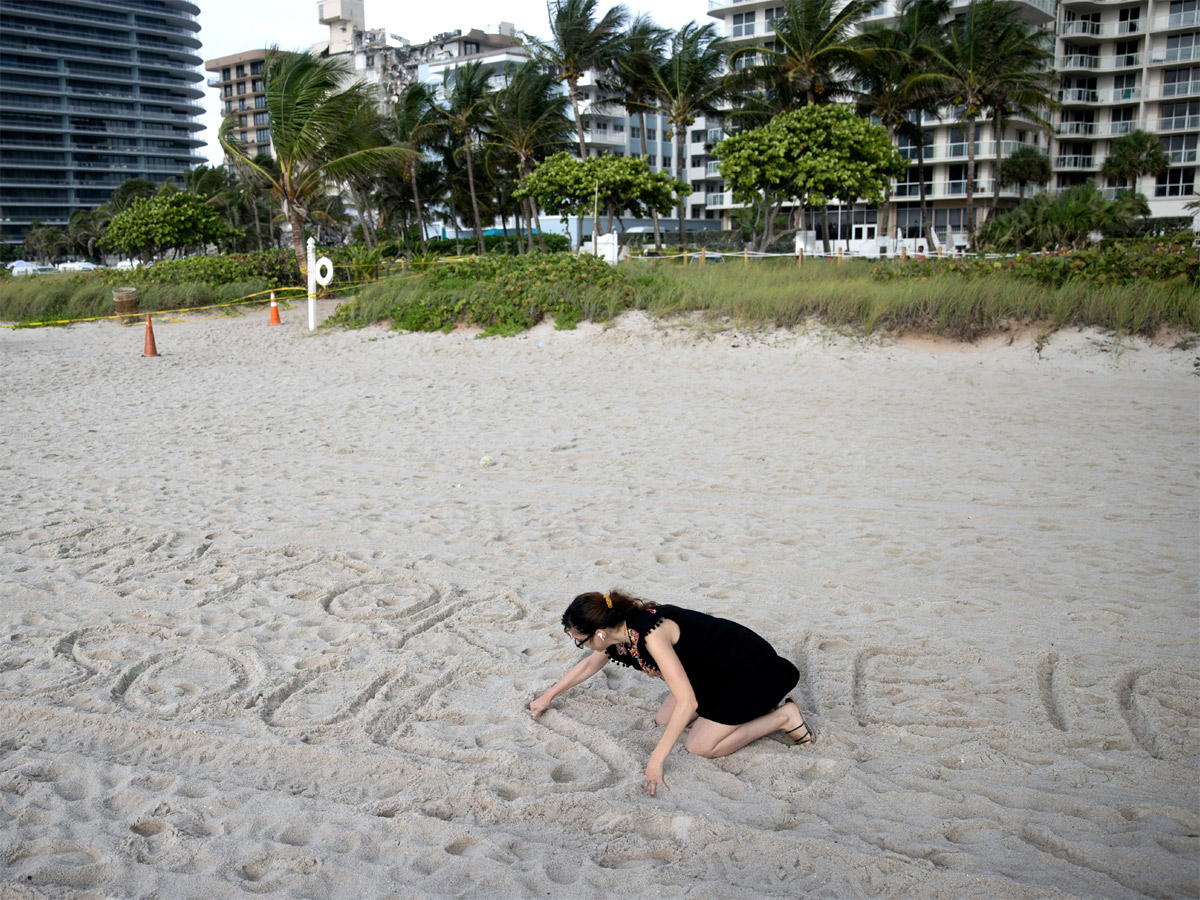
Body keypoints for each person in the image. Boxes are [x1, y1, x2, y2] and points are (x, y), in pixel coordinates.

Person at [529, 590, 816, 796]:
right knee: (665, 721)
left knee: (699, 746)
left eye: (580, 641)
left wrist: (656, 761)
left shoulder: (651, 634)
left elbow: (687, 701)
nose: (581, 645)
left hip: (750, 672)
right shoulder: (617, 633)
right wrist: (548, 696)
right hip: (711, 673)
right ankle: (736, 713)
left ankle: (784, 717)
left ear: (600, 632)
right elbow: (591, 664)